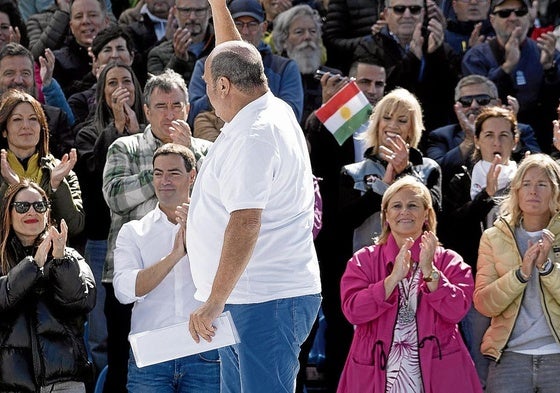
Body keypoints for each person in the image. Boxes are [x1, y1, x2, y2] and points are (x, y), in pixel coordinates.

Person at [186, 0, 321, 391]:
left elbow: (246, 221)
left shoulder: (254, 135)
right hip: (253, 298)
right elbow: (233, 54)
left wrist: (213, 300)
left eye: (209, 87)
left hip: (264, 301)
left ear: (224, 85)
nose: (207, 95)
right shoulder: (267, 106)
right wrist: (217, 4)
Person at [101, 68, 211, 393]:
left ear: (188, 109)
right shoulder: (126, 147)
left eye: (176, 105)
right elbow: (117, 198)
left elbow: (222, 201)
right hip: (134, 280)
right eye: (160, 106)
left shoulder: (208, 151)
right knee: (125, 372)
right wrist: (166, 170)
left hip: (195, 286)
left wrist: (190, 155)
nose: (169, 113)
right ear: (146, 111)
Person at [337, 176, 481, 392]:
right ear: (386, 216)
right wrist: (391, 279)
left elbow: (457, 311)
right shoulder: (363, 260)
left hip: (438, 375)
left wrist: (429, 271)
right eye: (396, 205)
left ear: (426, 215)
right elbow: (353, 312)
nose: (404, 211)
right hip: (376, 376)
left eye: (412, 205)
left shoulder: (449, 260)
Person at [304, 54, 387, 392]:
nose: (371, 90)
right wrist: (329, 109)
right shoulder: (343, 117)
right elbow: (315, 155)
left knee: (355, 331)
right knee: (322, 329)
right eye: (364, 82)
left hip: (374, 244)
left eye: (378, 83)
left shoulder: (389, 123)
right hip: (331, 243)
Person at [113, 143, 220, 393]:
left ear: (192, 176)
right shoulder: (134, 231)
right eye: (158, 173)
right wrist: (174, 256)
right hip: (151, 357)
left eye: (173, 173)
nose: (164, 181)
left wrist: (199, 232)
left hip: (205, 352)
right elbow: (124, 291)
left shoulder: (216, 227)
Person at [74, 61, 145, 379]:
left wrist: (137, 133)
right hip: (104, 241)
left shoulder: (152, 129)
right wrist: (117, 132)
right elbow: (94, 179)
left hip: (146, 240)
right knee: (103, 331)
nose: (121, 88)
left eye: (127, 81)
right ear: (102, 94)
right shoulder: (89, 133)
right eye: (112, 82)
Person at [443, 106, 519, 387]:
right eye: (488, 135)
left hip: (521, 283)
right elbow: (451, 231)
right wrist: (485, 197)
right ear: (476, 140)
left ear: (516, 139)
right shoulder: (460, 180)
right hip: (479, 285)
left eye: (503, 135)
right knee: (481, 360)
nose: (496, 143)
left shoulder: (529, 180)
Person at [474, 153, 560, 393]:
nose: (533, 191)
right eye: (527, 184)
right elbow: (484, 304)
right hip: (509, 358)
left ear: (555, 192)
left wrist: (547, 269)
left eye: (542, 184)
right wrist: (520, 275)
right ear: (516, 191)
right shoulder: (493, 237)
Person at [0, 179, 96, 393]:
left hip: (64, 380)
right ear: (9, 212)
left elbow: (83, 300)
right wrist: (33, 265)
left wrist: (60, 260)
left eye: (39, 205)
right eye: (22, 206)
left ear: (47, 212)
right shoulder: (1, 257)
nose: (31, 211)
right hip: (11, 383)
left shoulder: (69, 256)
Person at [340, 87, 441, 253]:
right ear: (377, 123)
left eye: (402, 120)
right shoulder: (352, 172)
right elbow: (345, 222)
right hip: (369, 266)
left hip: (417, 261)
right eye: (386, 118)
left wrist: (405, 173)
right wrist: (382, 187)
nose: (392, 125)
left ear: (411, 128)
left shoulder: (430, 169)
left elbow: (435, 214)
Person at [462, 0, 560, 152]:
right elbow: (478, 101)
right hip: (493, 142)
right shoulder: (476, 57)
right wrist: (506, 67)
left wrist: (550, 69)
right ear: (492, 20)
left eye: (520, 12)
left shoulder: (544, 51)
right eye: (504, 13)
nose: (513, 18)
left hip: (541, 140)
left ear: (529, 17)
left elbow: (552, 104)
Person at [187, 0, 304, 126]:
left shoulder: (284, 67)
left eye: (252, 24)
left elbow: (291, 115)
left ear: (264, 27)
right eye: (237, 24)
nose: (245, 31)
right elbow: (192, 113)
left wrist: (246, 90)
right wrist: (220, 89)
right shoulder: (205, 65)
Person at [354, 0, 461, 130]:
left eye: (414, 9)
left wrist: (436, 55)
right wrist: (412, 58)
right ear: (386, 14)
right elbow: (382, 89)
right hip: (386, 127)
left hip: (432, 130)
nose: (407, 15)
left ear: (422, 13)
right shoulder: (370, 47)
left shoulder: (439, 45)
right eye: (399, 9)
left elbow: (451, 93)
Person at [0, 89, 84, 239]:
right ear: (4, 130)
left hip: (50, 258)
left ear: (41, 127)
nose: (26, 126)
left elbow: (75, 226)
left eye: (33, 119)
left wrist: (57, 185)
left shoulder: (62, 171)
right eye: (17, 119)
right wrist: (12, 188)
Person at [426, 74, 540, 184]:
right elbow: (435, 175)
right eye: (466, 101)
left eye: (482, 100)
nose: (474, 106)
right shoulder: (441, 136)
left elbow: (539, 166)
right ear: (457, 108)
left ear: (498, 104)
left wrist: (510, 131)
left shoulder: (523, 131)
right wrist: (469, 140)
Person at [0, 43, 74, 158]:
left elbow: (70, 165)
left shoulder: (55, 118)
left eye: (25, 73)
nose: (19, 80)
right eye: (9, 73)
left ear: (34, 79)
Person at [272, 4, 340, 125]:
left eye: (313, 31)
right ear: (284, 40)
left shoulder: (333, 78)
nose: (307, 37)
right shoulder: (274, 76)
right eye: (299, 32)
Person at [147, 0, 215, 85]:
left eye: (199, 11)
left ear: (210, 12)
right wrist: (178, 60)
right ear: (175, 12)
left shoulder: (222, 47)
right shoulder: (158, 54)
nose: (192, 17)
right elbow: (157, 92)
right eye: (186, 11)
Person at [52, 0, 110, 97]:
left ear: (106, 21)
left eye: (92, 15)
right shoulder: (57, 61)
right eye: (79, 17)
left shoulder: (120, 53)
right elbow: (61, 102)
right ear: (71, 27)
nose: (85, 21)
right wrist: (91, 76)